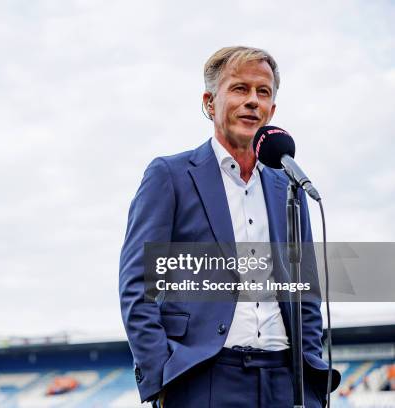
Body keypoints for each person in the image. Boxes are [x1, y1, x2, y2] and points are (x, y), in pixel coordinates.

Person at [119, 46, 341, 407]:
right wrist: (161, 375)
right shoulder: (170, 176)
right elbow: (136, 287)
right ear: (209, 102)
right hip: (205, 379)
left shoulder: (290, 185)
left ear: (272, 110)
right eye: (240, 89)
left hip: (288, 380)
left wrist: (309, 363)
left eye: (263, 92)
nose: (253, 101)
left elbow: (307, 292)